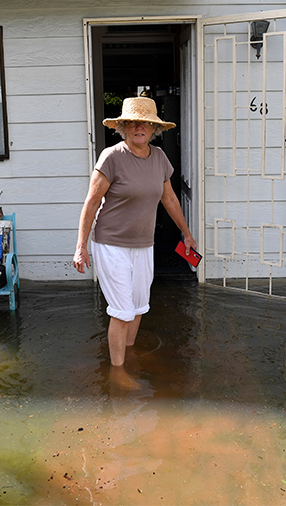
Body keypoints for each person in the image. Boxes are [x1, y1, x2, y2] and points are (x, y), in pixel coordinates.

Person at [74, 96, 197, 371]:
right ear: (124, 127)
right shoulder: (112, 157)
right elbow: (91, 202)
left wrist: (186, 234)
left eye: (145, 123)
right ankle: (118, 375)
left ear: (154, 129)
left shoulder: (160, 158)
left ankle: (126, 357)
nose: (138, 127)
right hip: (111, 244)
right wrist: (81, 246)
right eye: (132, 122)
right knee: (121, 311)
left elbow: (170, 200)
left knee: (139, 307)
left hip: (143, 245)